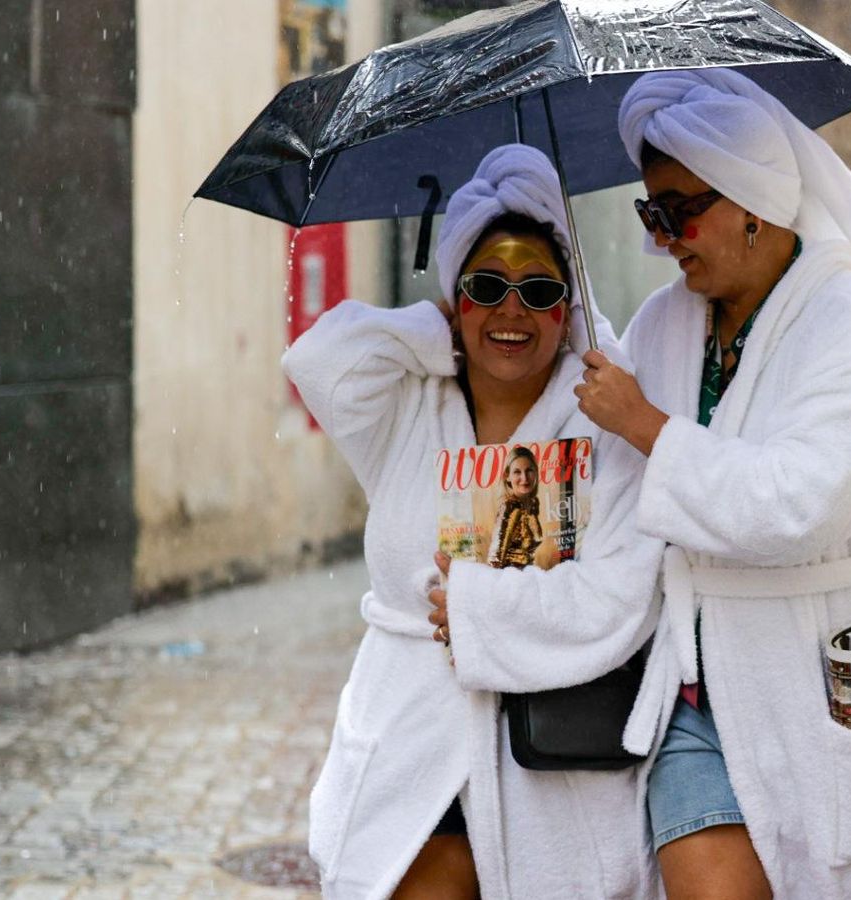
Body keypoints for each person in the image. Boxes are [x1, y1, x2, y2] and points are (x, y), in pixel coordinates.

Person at [573, 68, 851, 899]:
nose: (664, 239)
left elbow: (801, 505)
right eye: (651, 214)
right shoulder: (661, 325)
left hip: (827, 668)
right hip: (696, 690)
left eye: (681, 212)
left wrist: (649, 426)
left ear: (752, 199)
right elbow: (609, 497)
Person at [284, 143, 666, 900]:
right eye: (486, 286)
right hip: (408, 751)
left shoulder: (601, 428)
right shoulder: (404, 410)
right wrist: (437, 328)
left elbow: (622, 600)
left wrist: (480, 611)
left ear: (571, 306)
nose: (512, 312)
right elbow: (316, 362)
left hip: (550, 768)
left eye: (540, 290)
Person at [487, 445, 544, 569]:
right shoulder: (509, 507)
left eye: (529, 470)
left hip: (529, 575)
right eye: (517, 472)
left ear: (536, 472)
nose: (524, 478)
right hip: (511, 579)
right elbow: (495, 558)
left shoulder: (533, 503)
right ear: (507, 476)